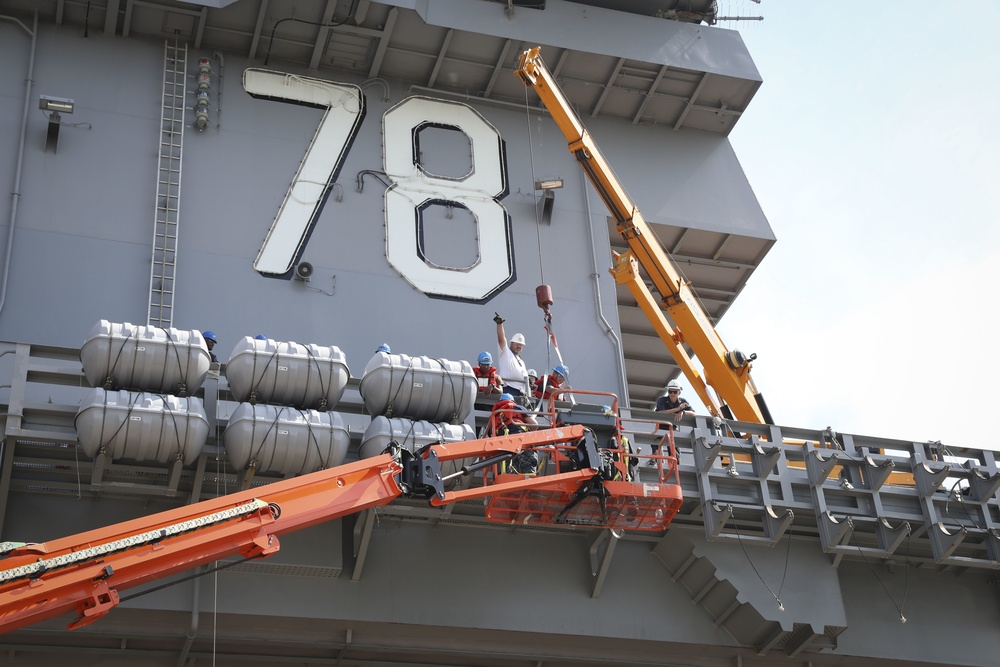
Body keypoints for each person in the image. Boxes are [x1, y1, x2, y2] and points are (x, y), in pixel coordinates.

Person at [489, 393, 539, 474]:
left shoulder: (494, 417)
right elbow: (534, 424)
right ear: (512, 401)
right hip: (520, 439)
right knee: (528, 460)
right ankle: (529, 477)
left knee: (509, 466)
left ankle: (508, 476)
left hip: (503, 445)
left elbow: (491, 434)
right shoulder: (517, 407)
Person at [649, 380, 695, 465]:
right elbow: (661, 412)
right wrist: (677, 409)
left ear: (679, 392)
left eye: (675, 392)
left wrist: (683, 412)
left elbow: (693, 413)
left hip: (673, 429)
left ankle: (674, 464)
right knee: (656, 445)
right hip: (661, 427)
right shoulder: (662, 400)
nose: (672, 394)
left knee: (674, 452)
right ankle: (656, 460)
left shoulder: (683, 402)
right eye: (670, 391)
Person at [493, 312, 529, 397]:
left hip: (520, 393)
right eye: (517, 344)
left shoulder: (521, 361)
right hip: (508, 390)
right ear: (511, 343)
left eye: (521, 345)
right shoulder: (505, 352)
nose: (519, 346)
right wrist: (500, 324)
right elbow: (501, 339)